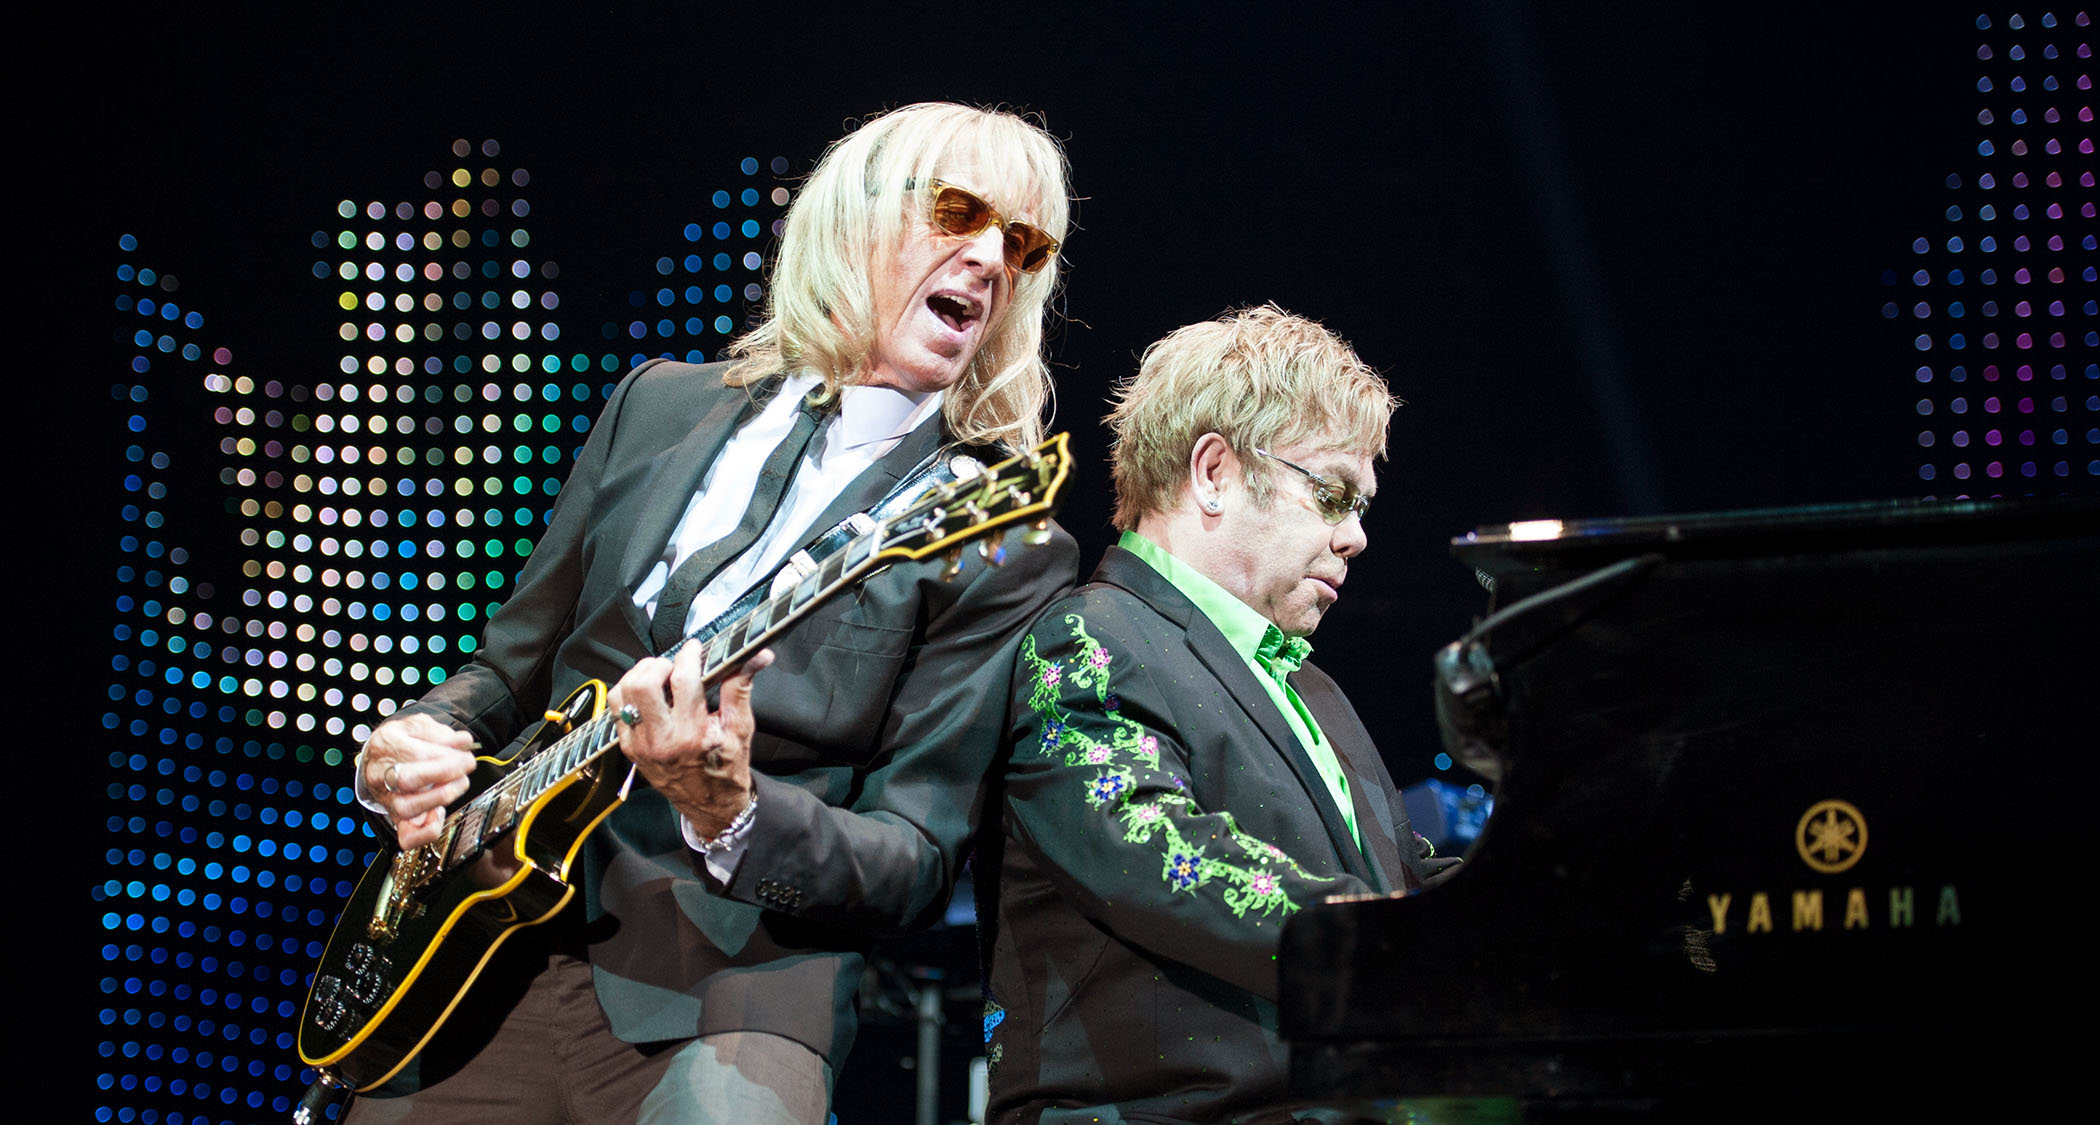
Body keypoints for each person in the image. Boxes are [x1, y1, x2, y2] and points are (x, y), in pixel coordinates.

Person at [344, 102, 1077, 1123]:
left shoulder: (1000, 539)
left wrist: (731, 813)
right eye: (958, 213)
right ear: (853, 218)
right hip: (479, 953)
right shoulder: (658, 403)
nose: (991, 258)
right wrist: (411, 742)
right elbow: (510, 669)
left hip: (736, 987)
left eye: (1023, 243)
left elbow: (912, 858)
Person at [977, 306, 1451, 1123]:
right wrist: (1393, 940)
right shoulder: (1086, 637)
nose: (1356, 536)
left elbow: (1405, 879)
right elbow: (1156, 853)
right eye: (1332, 493)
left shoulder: (1315, 694)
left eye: (1361, 506)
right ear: (1214, 471)